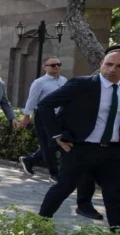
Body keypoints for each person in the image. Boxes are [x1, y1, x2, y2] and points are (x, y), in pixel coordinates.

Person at [36, 46, 120, 227]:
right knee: (62, 189)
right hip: (80, 149)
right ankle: (39, 228)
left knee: (115, 198)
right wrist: (57, 135)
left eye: (118, 66)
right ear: (101, 64)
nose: (113, 69)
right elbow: (45, 105)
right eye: (109, 64)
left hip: (113, 153)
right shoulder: (82, 85)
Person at [17, 58, 100, 218]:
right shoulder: (39, 82)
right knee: (48, 144)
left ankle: (30, 160)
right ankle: (53, 173)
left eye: (58, 65)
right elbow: (33, 100)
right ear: (45, 67)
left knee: (55, 145)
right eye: (53, 65)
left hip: (60, 117)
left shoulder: (64, 81)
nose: (56, 67)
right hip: (43, 116)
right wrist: (26, 117)